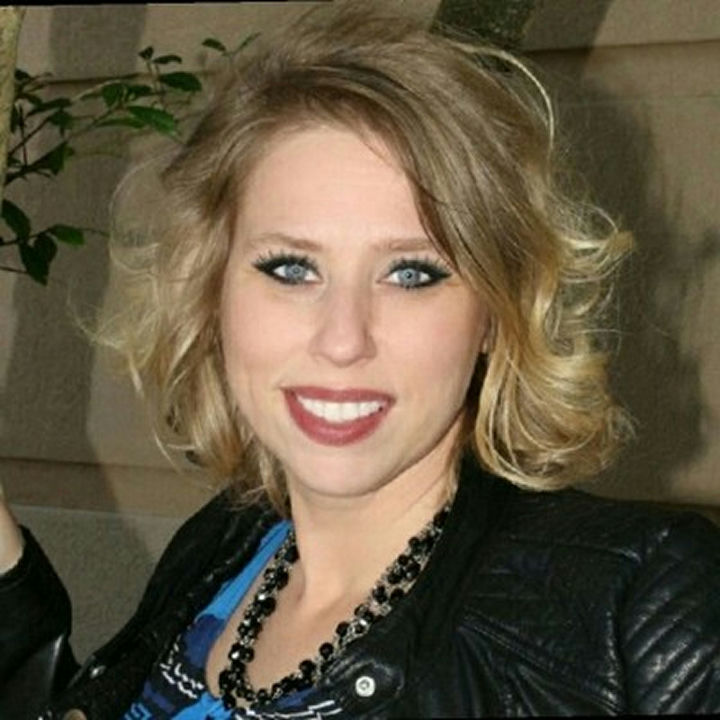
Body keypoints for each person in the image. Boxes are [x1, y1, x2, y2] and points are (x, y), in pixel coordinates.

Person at [2, 5, 720, 719]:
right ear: (213, 292)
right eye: (291, 268)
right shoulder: (230, 540)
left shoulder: (632, 610)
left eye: (411, 274)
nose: (343, 339)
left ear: (497, 313)